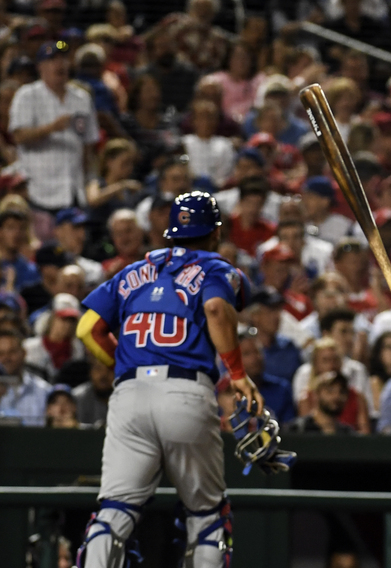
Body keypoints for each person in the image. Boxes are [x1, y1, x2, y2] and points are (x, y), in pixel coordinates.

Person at [74, 191, 263, 567]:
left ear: (170, 232)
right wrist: (238, 374)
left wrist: (125, 364)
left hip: (129, 393)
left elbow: (87, 330)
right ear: (215, 233)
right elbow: (214, 307)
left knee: (114, 512)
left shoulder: (132, 270)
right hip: (185, 390)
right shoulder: (215, 266)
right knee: (207, 516)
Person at [8, 41, 99, 230]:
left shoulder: (82, 98)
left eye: (63, 58)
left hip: (74, 191)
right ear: (41, 66)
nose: (60, 64)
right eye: (53, 59)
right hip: (39, 191)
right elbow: (18, 136)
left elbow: (89, 146)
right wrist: (50, 128)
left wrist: (90, 181)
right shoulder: (27, 95)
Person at [0, 329, 51, 426]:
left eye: (12, 352)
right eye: (1, 353)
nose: (6, 358)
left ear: (24, 353)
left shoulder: (44, 391)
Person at [283, 370, 354, 435]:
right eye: (330, 391)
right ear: (316, 395)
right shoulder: (296, 430)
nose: (336, 396)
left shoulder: (348, 434)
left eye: (342, 392)